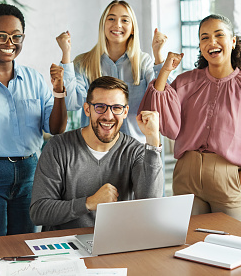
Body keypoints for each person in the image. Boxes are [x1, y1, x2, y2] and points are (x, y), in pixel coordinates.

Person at [139, 14, 241, 226]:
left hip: (231, 182)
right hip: (187, 179)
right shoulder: (186, 82)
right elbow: (159, 116)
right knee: (188, 248)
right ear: (199, 45)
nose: (212, 42)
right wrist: (165, 70)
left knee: (234, 249)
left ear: (233, 41)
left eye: (219, 35)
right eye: (204, 37)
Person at [0, 4, 67, 240]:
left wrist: (59, 93)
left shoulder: (34, 79)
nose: (9, 42)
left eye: (16, 36)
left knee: (26, 247)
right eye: (0, 36)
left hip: (30, 172)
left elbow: (56, 128)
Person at [30, 76, 164, 231]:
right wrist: (89, 203)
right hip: (65, 245)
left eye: (116, 108)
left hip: (114, 243)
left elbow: (150, 205)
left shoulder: (134, 151)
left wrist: (153, 141)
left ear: (125, 111)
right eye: (100, 107)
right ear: (87, 109)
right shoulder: (58, 147)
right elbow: (39, 212)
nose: (108, 116)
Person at [56, 0, 168, 143]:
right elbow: (71, 103)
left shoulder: (143, 62)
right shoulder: (84, 62)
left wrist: (158, 55)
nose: (117, 25)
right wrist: (66, 54)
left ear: (133, 28)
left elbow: (161, 105)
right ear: (103, 25)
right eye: (111, 19)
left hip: (134, 150)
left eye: (125, 20)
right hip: (94, 150)